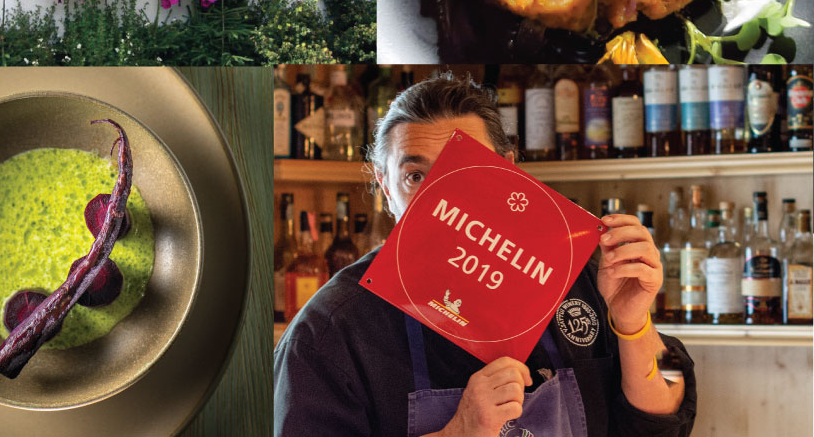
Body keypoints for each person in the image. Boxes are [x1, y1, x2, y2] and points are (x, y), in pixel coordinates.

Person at [274, 73, 695, 437]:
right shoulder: (330, 329)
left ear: (507, 170)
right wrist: (459, 431)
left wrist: (634, 322)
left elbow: (672, 398)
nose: (443, 192)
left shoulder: (579, 273)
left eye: (465, 167)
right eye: (416, 176)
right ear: (386, 188)